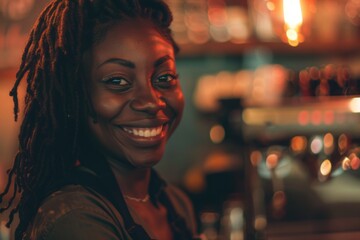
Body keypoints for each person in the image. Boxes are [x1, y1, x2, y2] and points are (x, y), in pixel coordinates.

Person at [0, 0, 199, 239]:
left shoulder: (174, 203)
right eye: (117, 81)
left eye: (164, 77)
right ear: (75, 96)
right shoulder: (75, 218)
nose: (152, 101)